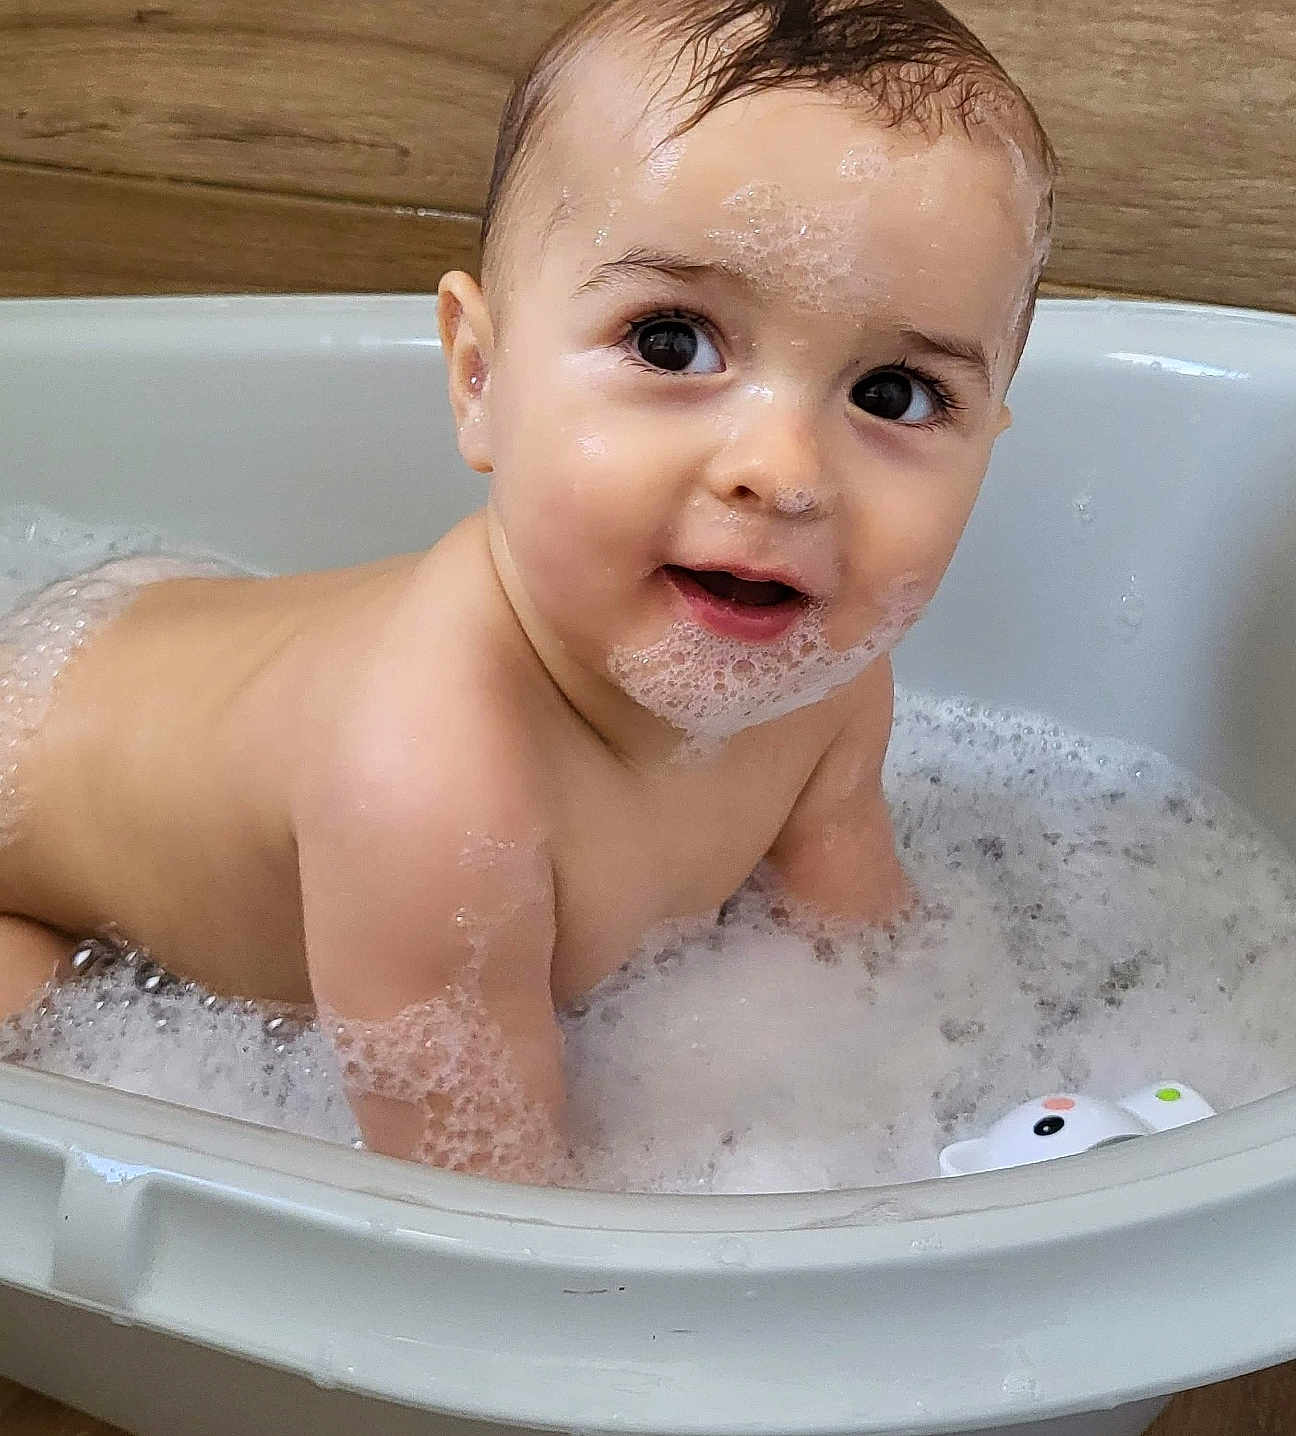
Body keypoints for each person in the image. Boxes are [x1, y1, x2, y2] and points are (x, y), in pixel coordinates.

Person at [0, 0, 1055, 1183]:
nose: (785, 473)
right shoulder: (434, 791)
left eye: (896, 394)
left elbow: (867, 952)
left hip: (177, 652)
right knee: (37, 1015)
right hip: (35, 785)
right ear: (479, 378)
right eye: (671, 343)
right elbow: (494, 1215)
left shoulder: (823, 677)